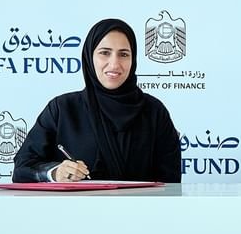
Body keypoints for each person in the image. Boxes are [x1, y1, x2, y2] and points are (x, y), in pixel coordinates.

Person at [12, 18, 182, 182]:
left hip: (141, 204)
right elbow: (22, 169)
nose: (114, 64)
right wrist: (55, 172)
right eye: (104, 53)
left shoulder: (154, 112)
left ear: (133, 59)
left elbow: (171, 184)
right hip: (75, 204)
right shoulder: (62, 109)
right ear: (89, 56)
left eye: (123, 54)